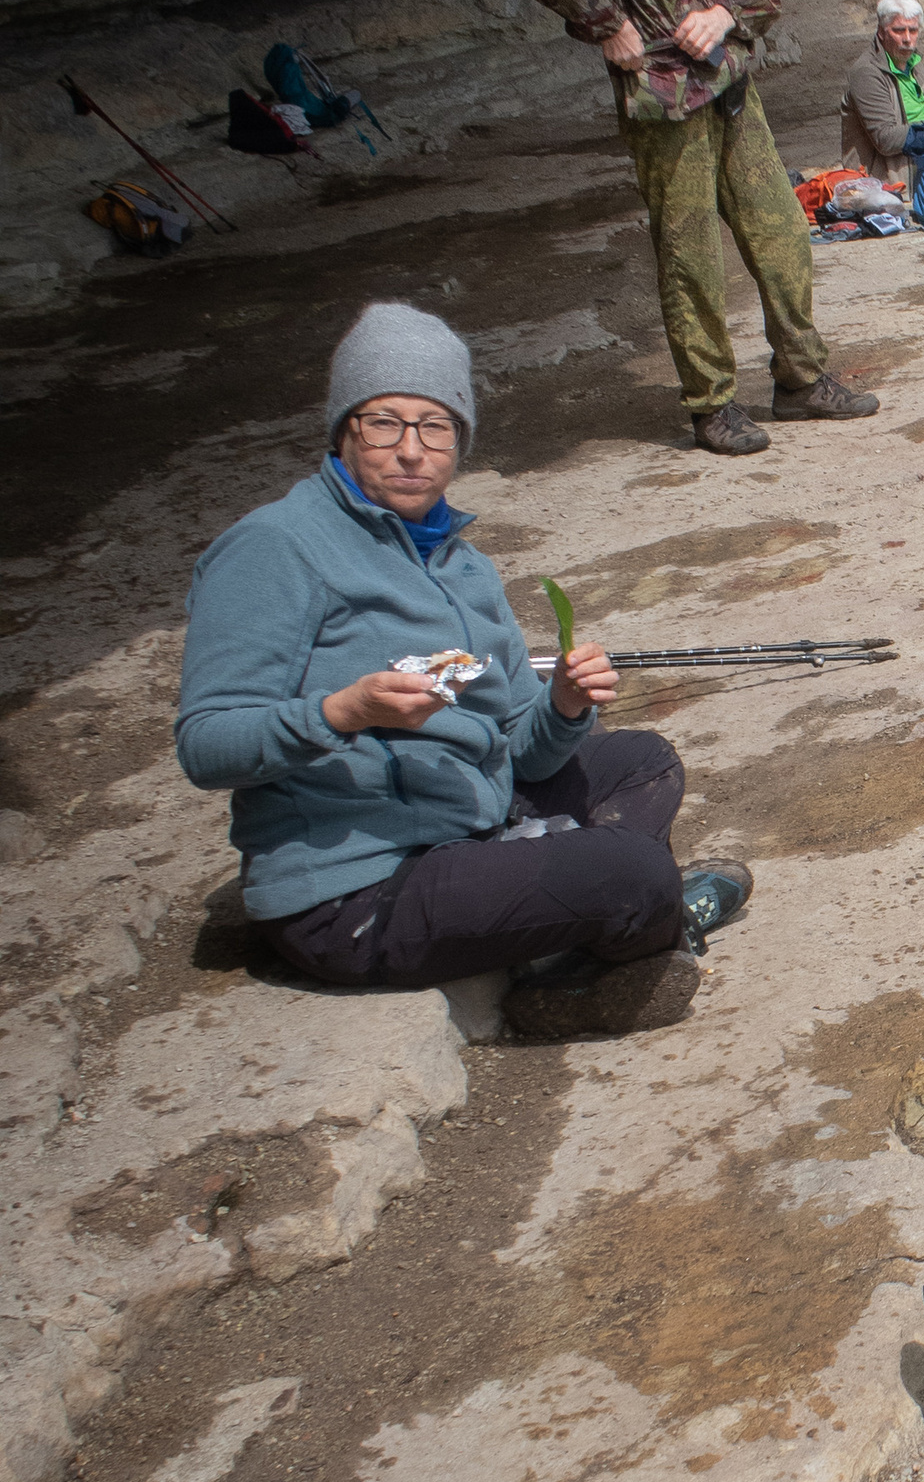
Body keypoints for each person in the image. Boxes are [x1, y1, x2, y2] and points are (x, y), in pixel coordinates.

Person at [173, 305, 750, 1038]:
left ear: (460, 440)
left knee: (642, 761)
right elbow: (206, 745)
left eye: (435, 426)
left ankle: (598, 927)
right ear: (344, 430)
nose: (411, 451)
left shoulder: (461, 562)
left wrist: (564, 705)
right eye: (384, 423)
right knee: (630, 873)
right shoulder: (274, 549)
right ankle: (631, 931)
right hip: (361, 890)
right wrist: (341, 713)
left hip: (466, 825)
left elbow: (522, 750)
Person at [508, 0, 880, 457]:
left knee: (782, 232)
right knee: (692, 254)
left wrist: (724, 14)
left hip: (730, 84)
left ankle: (801, 379)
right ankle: (711, 405)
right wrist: (605, 22)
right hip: (663, 96)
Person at [839, 0, 924, 181]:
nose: (907, 39)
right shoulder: (867, 72)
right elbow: (886, 139)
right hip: (892, 179)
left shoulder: (914, 62)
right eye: (898, 31)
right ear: (881, 32)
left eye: (913, 30)